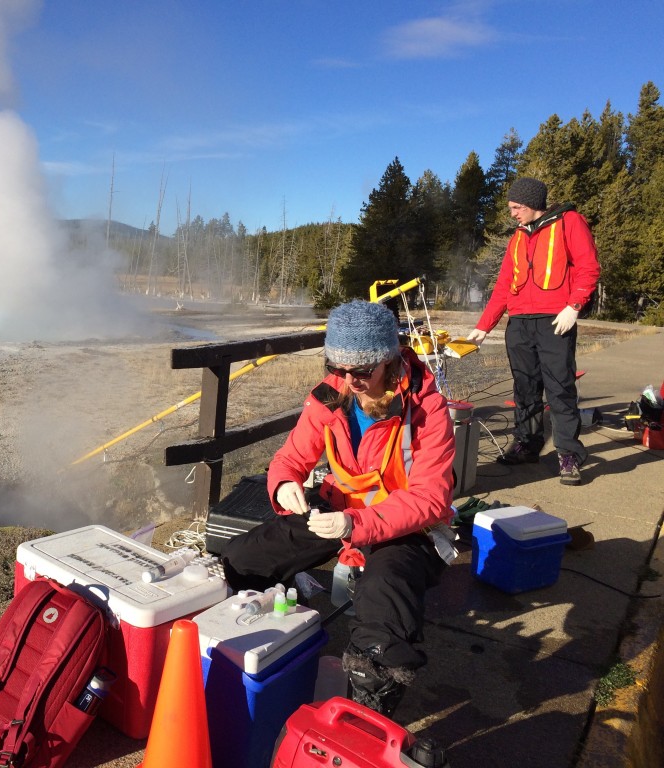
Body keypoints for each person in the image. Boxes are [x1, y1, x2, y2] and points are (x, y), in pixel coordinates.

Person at [221, 300, 456, 718]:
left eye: (362, 371)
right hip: (335, 513)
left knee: (381, 625)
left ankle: (364, 715)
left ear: (389, 360)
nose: (349, 380)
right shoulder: (330, 394)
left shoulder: (427, 408)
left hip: (407, 529)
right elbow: (289, 458)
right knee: (241, 560)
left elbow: (431, 498)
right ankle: (234, 653)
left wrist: (357, 522)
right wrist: (285, 484)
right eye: (338, 367)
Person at [466, 177, 600, 485]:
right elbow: (502, 286)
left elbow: (588, 266)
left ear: (532, 204)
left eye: (516, 208)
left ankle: (568, 454)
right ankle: (527, 443)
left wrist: (575, 306)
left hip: (555, 321)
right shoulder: (517, 237)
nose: (512, 213)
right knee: (525, 388)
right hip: (520, 325)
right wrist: (484, 326)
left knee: (560, 388)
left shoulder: (569, 222)